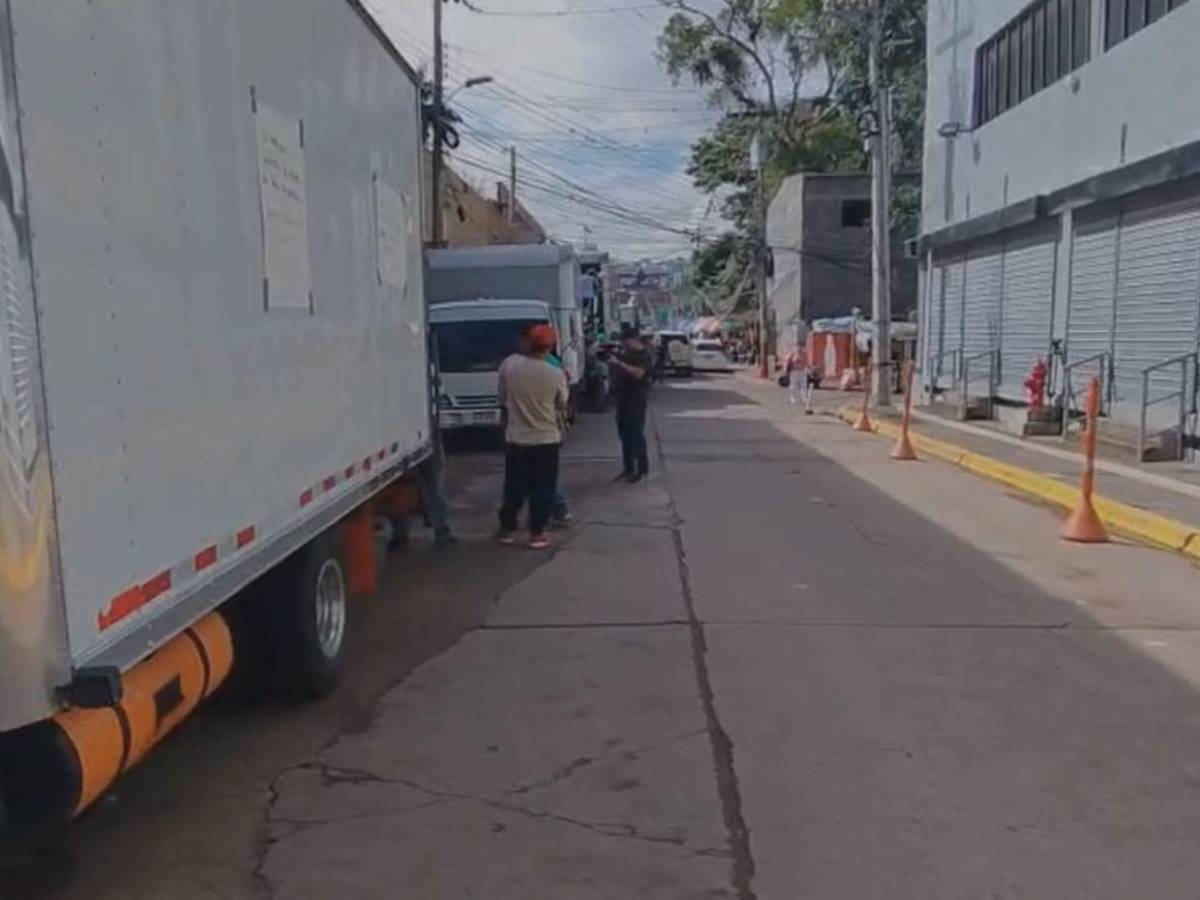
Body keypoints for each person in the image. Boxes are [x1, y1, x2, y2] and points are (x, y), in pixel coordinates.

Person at [497, 324, 568, 549]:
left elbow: (502, 398)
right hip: (546, 439)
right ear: (549, 346)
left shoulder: (509, 366)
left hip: (516, 438)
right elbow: (561, 403)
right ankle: (537, 533)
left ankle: (507, 529)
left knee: (514, 486)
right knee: (543, 488)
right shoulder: (555, 374)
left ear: (529, 343)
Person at [610, 327, 653, 483]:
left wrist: (620, 364)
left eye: (626, 341)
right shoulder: (626, 354)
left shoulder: (645, 355)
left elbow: (639, 373)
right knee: (624, 434)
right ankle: (628, 468)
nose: (624, 344)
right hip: (623, 398)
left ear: (634, 340)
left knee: (636, 433)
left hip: (636, 398)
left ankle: (640, 468)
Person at [785, 335, 814, 415]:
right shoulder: (793, 353)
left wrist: (809, 370)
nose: (800, 348)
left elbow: (807, 362)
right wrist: (786, 370)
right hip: (794, 372)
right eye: (798, 346)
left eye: (801, 346)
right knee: (794, 385)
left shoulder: (804, 354)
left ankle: (804, 398)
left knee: (803, 385)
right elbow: (788, 361)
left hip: (802, 371)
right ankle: (793, 397)